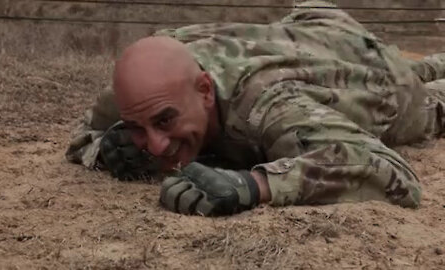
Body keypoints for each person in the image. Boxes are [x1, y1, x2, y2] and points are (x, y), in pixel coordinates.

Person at [66, 1, 445, 216]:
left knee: (428, 95)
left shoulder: (269, 107)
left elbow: (395, 175)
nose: (157, 145)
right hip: (309, 35)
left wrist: (254, 185)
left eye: (166, 121)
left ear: (205, 91)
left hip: (382, 79)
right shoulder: (140, 88)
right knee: (421, 64)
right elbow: (84, 135)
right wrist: (106, 149)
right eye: (137, 127)